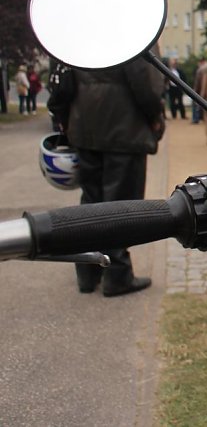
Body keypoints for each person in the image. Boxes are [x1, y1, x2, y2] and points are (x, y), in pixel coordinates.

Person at [57, 52, 164, 296]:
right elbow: (144, 81)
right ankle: (117, 275)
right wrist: (155, 115)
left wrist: (64, 117)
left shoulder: (74, 34)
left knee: (91, 201)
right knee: (120, 206)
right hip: (123, 125)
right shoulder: (130, 34)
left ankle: (87, 272)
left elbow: (61, 80)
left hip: (84, 124)